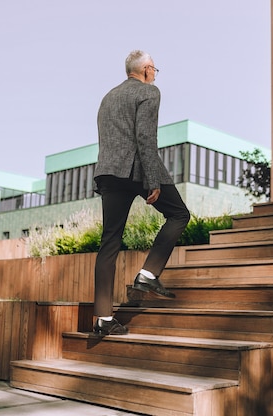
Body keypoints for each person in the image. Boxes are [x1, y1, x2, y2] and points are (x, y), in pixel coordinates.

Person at [92, 50, 190, 336]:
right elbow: (145, 137)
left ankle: (102, 319)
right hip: (136, 169)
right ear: (146, 69)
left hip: (108, 172)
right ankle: (148, 274)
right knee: (179, 214)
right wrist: (153, 179)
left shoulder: (108, 96)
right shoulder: (149, 91)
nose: (156, 74)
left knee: (109, 241)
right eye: (155, 69)